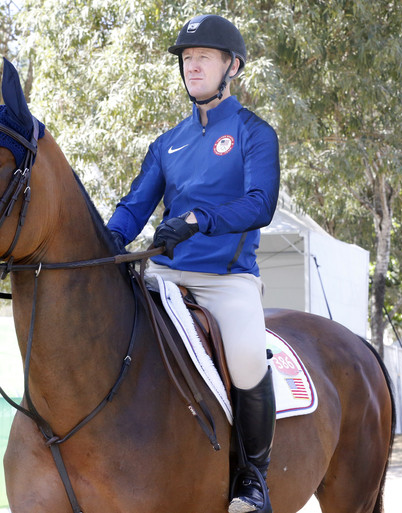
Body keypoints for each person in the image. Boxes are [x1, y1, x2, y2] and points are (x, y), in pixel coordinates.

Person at [107, 14, 280, 513]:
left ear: (233, 66)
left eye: (203, 56)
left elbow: (260, 204)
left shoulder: (254, 133)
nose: (193, 66)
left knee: (248, 358)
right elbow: (136, 205)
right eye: (187, 59)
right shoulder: (167, 143)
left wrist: (198, 218)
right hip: (164, 275)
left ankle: (252, 478)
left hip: (227, 281)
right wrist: (109, 239)